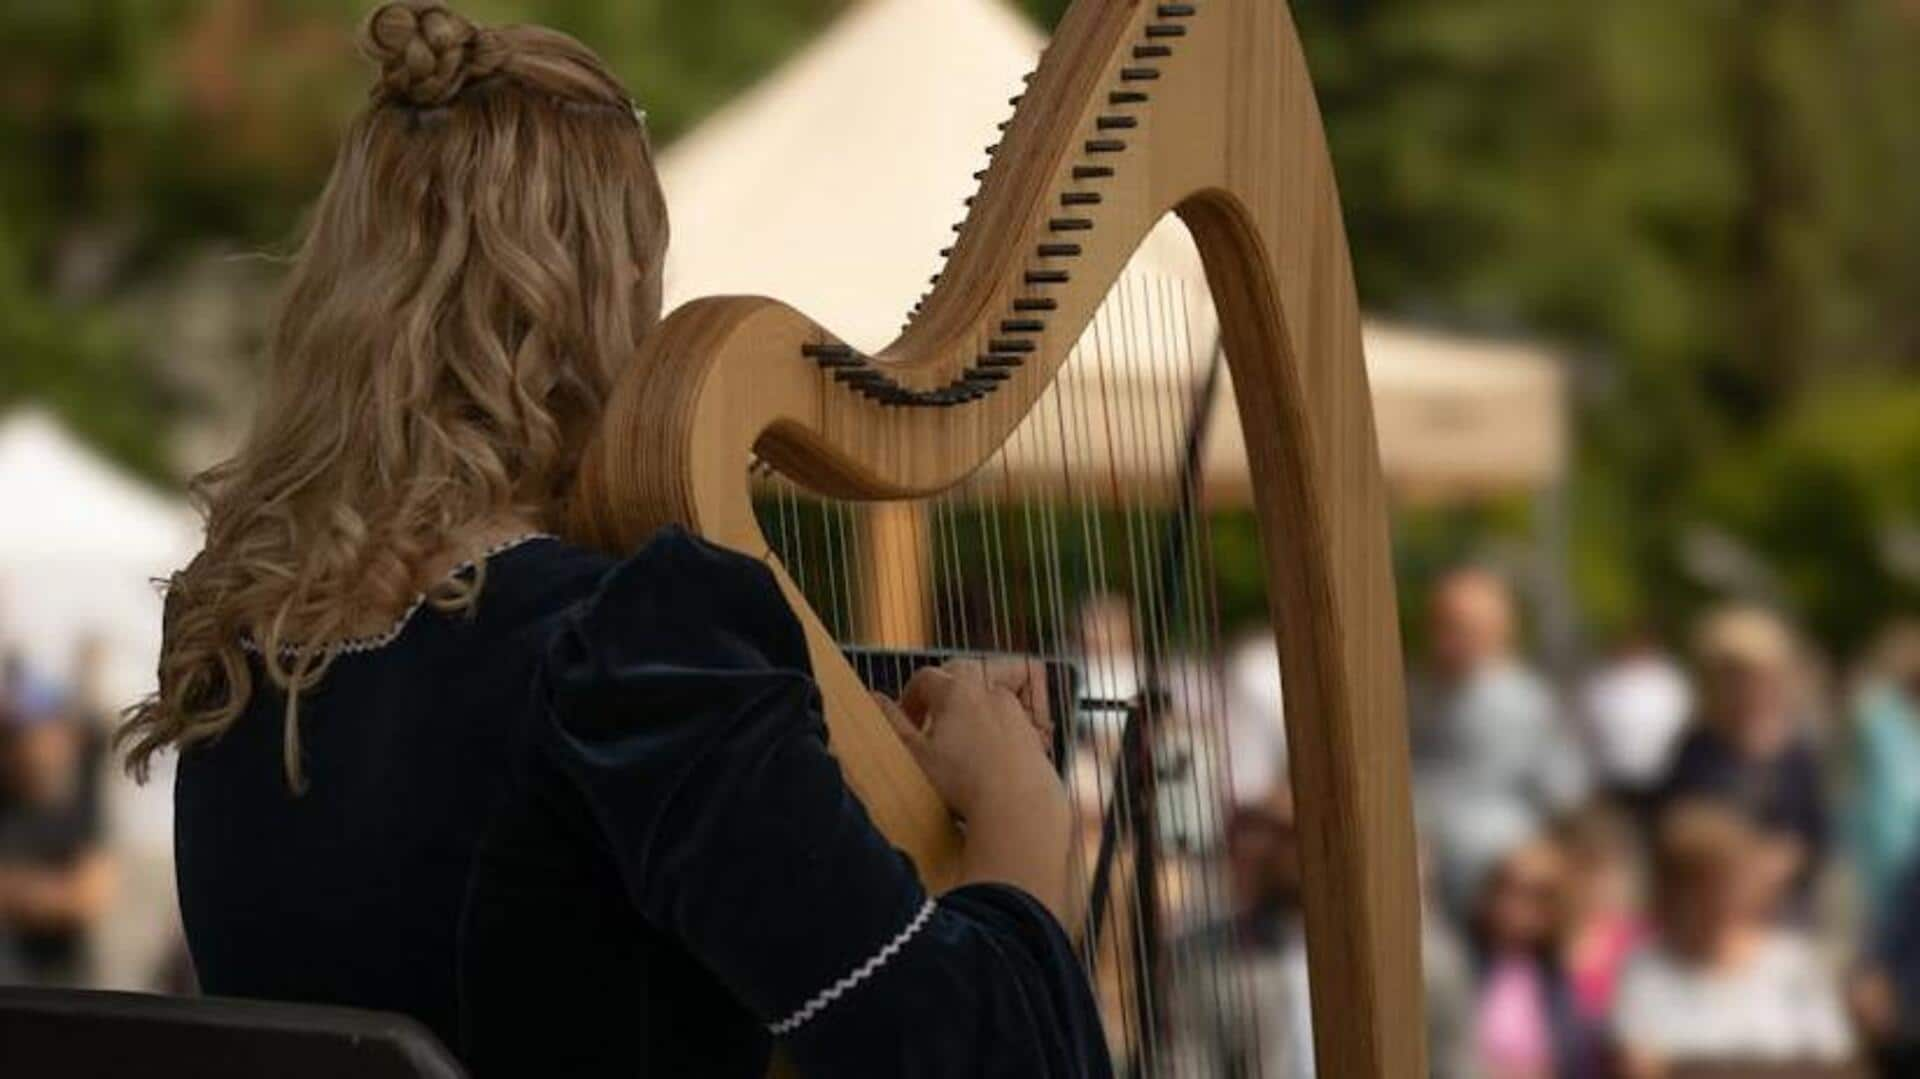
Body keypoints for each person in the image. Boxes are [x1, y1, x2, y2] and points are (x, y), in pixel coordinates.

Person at [116, 5, 1107, 1076]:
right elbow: (976, 1054)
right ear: (613, 289)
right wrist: (1021, 801)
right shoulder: (631, 647)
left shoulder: (235, 641)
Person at [1613, 802, 1853, 1074]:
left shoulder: (1796, 965)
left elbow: (1834, 1064)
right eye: (1695, 891)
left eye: (1725, 886)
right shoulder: (1644, 971)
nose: (1714, 904)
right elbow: (1636, 1067)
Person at [1410, 567, 1588, 915]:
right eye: (1439, 625)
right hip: (1425, 875)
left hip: (1496, 885)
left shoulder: (1525, 701)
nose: (1443, 641)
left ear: (1497, 631)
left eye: (1457, 628)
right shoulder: (1421, 694)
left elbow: (1564, 791)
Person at [1651, 605, 1828, 918]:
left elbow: (1815, 834)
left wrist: (1777, 865)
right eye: (1732, 677)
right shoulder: (1696, 749)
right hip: (1709, 912)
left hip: (1783, 910)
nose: (1746, 689)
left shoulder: (1797, 754)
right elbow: (1671, 827)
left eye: (1755, 677)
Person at [0, 669, 115, 986]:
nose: (28, 749)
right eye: (13, 736)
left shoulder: (81, 802)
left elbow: (88, 896)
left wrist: (18, 892)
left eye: (35, 733)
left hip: (63, 985)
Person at [1465, 834, 1600, 1079]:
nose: (1514, 907)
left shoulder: (1559, 985)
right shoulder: (1464, 967)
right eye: (1508, 890)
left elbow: (1570, 1060)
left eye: (1534, 897)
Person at [1577, 629, 1691, 802]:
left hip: (1665, 780)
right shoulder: (1598, 682)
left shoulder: (1670, 681)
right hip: (1610, 782)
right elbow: (1584, 731)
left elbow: (1684, 725)